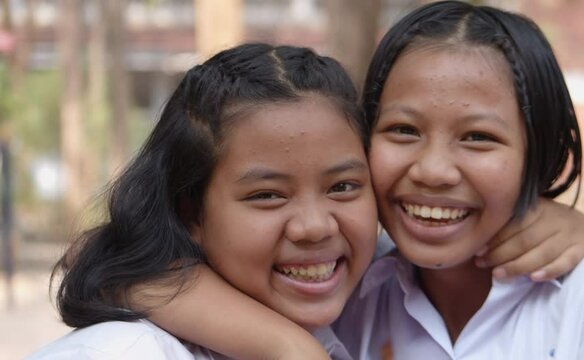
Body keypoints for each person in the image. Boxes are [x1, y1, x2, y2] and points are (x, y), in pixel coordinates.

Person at [331, 1, 584, 358]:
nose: (433, 170)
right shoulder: (339, 296)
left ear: (538, 153)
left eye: (478, 137)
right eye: (404, 130)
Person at [28, 43, 379, 359]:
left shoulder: (385, 301)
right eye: (268, 195)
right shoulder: (123, 352)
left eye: (343, 187)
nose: (315, 226)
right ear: (191, 213)